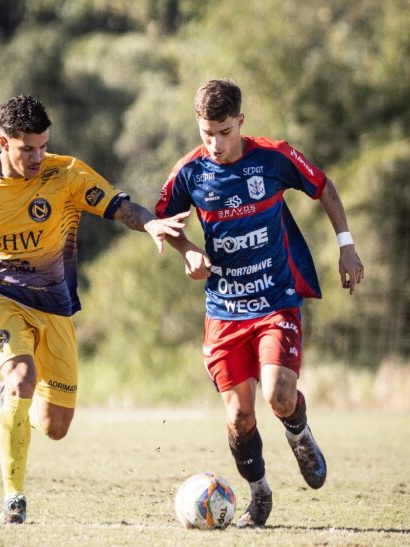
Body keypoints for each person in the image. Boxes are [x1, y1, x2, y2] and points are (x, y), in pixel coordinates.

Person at [0, 95, 190, 525]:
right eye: (27, 149)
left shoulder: (67, 174)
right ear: (3, 142)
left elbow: (119, 207)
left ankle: (8, 407)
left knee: (55, 427)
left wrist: (149, 222)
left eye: (43, 146)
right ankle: (13, 499)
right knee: (21, 378)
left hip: (54, 304)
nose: (38, 157)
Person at [155, 79, 364, 528]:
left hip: (275, 299)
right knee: (239, 415)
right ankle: (259, 492)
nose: (215, 144)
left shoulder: (273, 156)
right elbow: (163, 219)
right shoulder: (190, 171)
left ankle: (300, 435)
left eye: (225, 132)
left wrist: (346, 245)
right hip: (224, 308)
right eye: (207, 133)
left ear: (241, 122)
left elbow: (324, 187)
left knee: (279, 396)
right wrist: (187, 249)